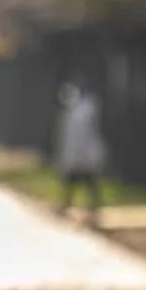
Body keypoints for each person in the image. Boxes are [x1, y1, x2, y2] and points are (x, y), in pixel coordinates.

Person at [56, 78, 106, 215]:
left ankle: (93, 210)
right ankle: (67, 205)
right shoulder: (71, 113)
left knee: (90, 183)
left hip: (86, 156)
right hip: (77, 157)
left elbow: (85, 137)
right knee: (74, 183)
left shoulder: (85, 111)